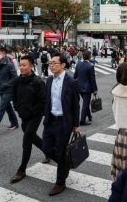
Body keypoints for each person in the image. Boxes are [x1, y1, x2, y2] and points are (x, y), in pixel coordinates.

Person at [42, 53, 80, 196]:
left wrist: (76, 125)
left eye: (54, 63)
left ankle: (60, 182)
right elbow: (47, 100)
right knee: (46, 147)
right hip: (51, 120)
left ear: (63, 65)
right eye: (50, 63)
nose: (51, 65)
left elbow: (76, 105)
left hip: (64, 122)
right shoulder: (50, 80)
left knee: (60, 150)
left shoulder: (71, 82)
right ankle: (65, 165)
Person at [10, 56, 45, 183]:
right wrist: (17, 107)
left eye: (25, 65)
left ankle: (21, 170)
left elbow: (43, 101)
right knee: (32, 137)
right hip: (23, 115)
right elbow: (13, 95)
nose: (22, 67)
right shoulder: (17, 81)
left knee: (27, 140)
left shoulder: (37, 82)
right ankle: (47, 151)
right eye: (20, 65)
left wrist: (33, 111)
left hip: (35, 116)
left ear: (31, 66)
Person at [0, 47, 19, 135]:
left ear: (4, 54)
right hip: (1, 89)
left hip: (8, 90)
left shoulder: (9, 65)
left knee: (1, 109)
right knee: (8, 107)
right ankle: (14, 122)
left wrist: (5, 84)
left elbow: (15, 77)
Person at [73, 51, 97, 125]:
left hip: (79, 87)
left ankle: (89, 116)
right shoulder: (90, 66)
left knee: (86, 103)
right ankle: (82, 120)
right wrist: (95, 89)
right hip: (87, 88)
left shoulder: (78, 65)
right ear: (89, 57)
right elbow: (92, 79)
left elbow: (75, 76)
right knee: (85, 104)